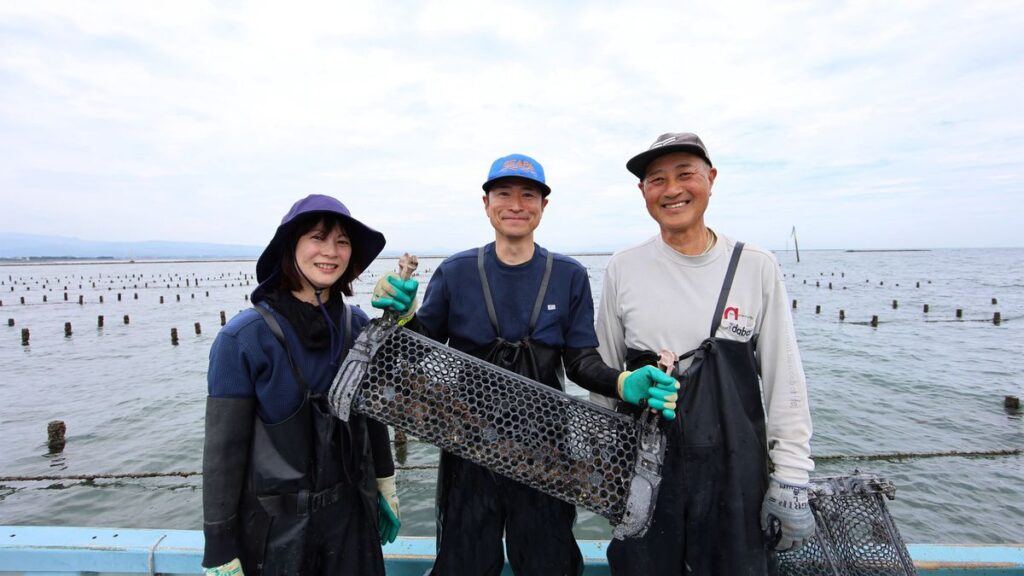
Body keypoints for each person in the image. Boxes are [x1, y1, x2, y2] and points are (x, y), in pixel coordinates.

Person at [371, 153, 678, 576]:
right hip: (465, 446)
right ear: (486, 203)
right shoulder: (457, 271)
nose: (516, 204)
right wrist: (402, 316)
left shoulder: (567, 275)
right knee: (463, 562)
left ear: (543, 206)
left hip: (546, 452)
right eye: (504, 193)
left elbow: (581, 362)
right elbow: (420, 349)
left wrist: (624, 382)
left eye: (528, 195)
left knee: (549, 562)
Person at [591, 132, 815, 575]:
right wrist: (604, 465)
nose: (672, 189)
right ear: (643, 193)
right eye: (656, 179)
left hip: (736, 477)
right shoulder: (623, 267)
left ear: (711, 179)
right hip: (644, 474)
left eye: (685, 174)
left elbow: (783, 381)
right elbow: (604, 372)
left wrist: (790, 476)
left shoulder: (755, 266)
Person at [201, 194, 401, 576]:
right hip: (275, 533)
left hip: (351, 521)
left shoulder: (359, 328)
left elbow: (376, 415)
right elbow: (222, 455)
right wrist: (219, 547)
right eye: (317, 237)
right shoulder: (243, 339)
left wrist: (385, 483)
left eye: (342, 241)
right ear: (289, 247)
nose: (331, 251)